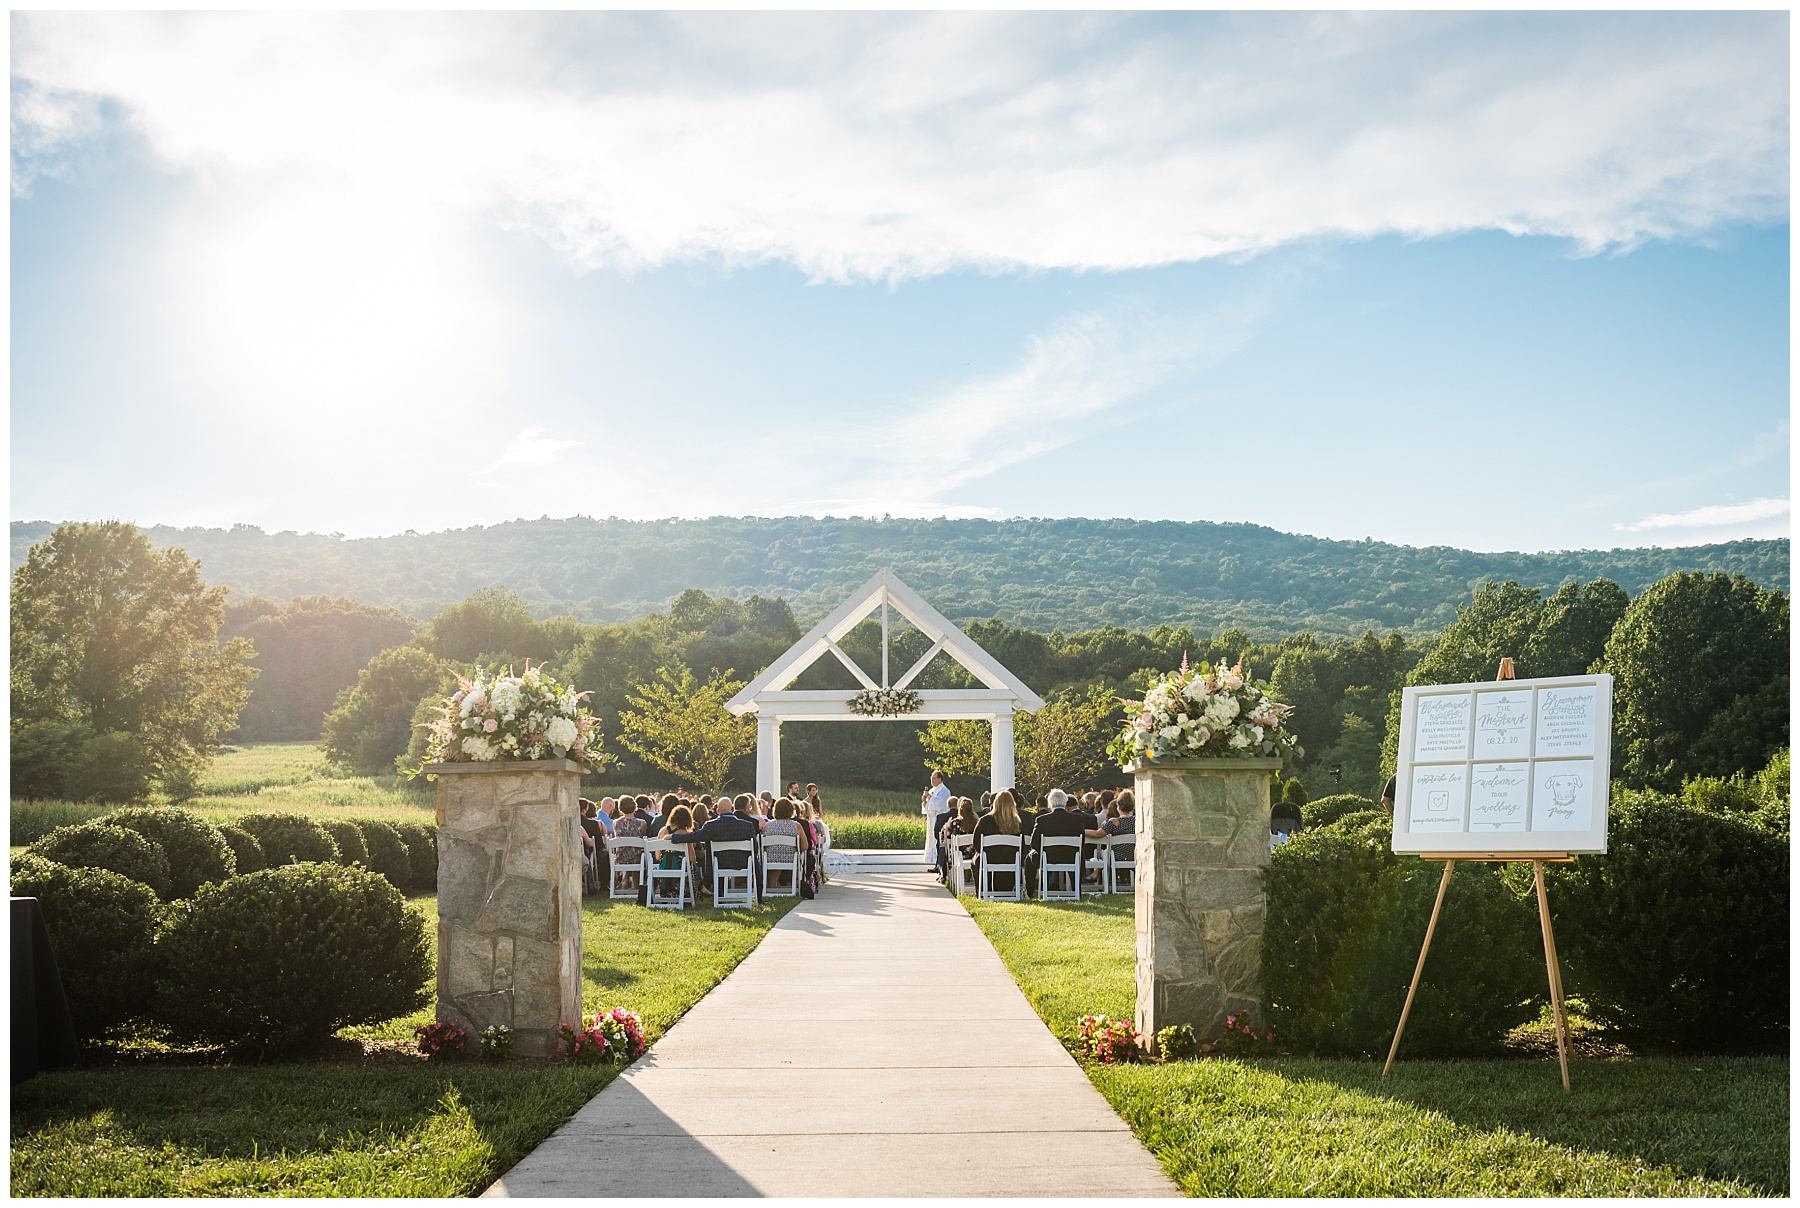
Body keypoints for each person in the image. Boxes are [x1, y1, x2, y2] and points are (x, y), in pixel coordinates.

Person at [972, 789, 1024, 895]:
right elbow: (1021, 847)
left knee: (975, 861)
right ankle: (1007, 890)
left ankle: (981, 891)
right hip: (1010, 861)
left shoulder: (984, 821)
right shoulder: (1017, 823)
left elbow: (976, 844)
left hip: (988, 861)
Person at [611, 796, 649, 893]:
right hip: (636, 857)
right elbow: (643, 837)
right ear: (634, 806)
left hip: (620, 857)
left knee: (627, 851)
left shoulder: (616, 823)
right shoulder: (642, 823)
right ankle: (636, 884)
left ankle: (624, 878)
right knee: (637, 852)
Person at [921, 770, 951, 869]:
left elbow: (939, 804)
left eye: (934, 778)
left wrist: (929, 797)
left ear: (939, 779)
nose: (931, 780)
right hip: (932, 819)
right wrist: (925, 801)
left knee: (938, 841)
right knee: (932, 840)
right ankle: (935, 863)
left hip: (939, 818)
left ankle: (939, 864)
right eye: (931, 778)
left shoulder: (944, 790)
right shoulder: (932, 790)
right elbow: (928, 807)